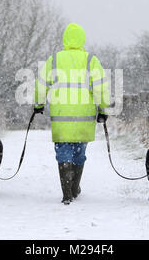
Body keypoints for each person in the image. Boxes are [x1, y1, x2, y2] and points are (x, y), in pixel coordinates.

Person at [34, 23, 110, 205]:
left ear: (65, 39)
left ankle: (66, 192)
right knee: (79, 151)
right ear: (82, 39)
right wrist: (103, 109)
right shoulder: (91, 60)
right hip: (84, 116)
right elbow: (101, 88)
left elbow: (41, 84)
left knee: (63, 151)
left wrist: (38, 104)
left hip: (61, 116)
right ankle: (75, 188)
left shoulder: (54, 60)